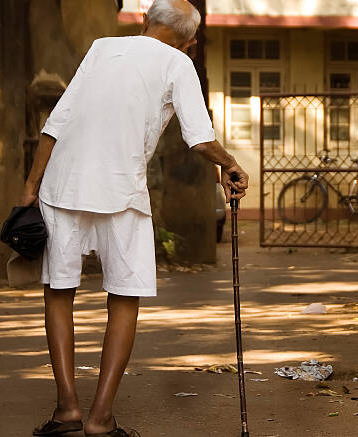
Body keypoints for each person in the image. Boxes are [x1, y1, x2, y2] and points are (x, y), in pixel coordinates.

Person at [21, 1, 249, 436]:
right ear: (191, 42)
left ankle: (67, 408)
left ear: (146, 22)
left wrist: (30, 188)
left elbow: (57, 122)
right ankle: (100, 418)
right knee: (124, 296)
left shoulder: (102, 47)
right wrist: (230, 164)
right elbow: (200, 139)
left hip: (62, 185)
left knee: (58, 291)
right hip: (121, 191)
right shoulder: (178, 63)